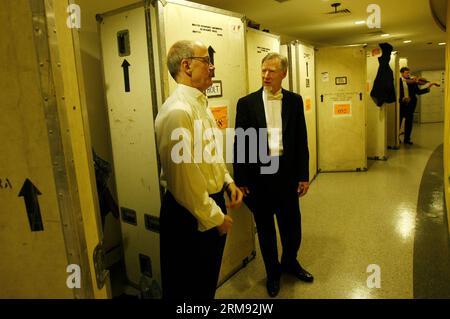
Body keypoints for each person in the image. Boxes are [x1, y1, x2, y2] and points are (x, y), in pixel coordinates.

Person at [155, 40, 243, 299]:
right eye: (206, 60)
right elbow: (184, 182)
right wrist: (216, 217)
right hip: (190, 215)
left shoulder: (200, 106)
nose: (212, 66)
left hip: (207, 204)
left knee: (205, 286)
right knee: (187, 290)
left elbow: (210, 155)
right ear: (186, 66)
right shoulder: (177, 113)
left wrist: (227, 182)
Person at [233, 52, 312, 298]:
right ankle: (273, 273)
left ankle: (290, 261)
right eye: (263, 71)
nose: (266, 76)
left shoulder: (295, 101)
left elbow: (301, 140)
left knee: (292, 227)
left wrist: (303, 175)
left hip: (287, 173)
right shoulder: (246, 103)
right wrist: (242, 179)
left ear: (283, 74)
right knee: (266, 229)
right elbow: (240, 143)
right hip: (260, 176)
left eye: (272, 71)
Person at [399, 67, 437, 145]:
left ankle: (407, 139)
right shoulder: (399, 81)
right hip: (401, 105)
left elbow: (418, 92)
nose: (408, 74)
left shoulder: (413, 82)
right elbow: (396, 93)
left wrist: (429, 87)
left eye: (409, 72)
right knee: (398, 122)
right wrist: (402, 99)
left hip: (411, 105)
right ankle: (396, 139)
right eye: (406, 73)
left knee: (409, 123)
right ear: (402, 73)